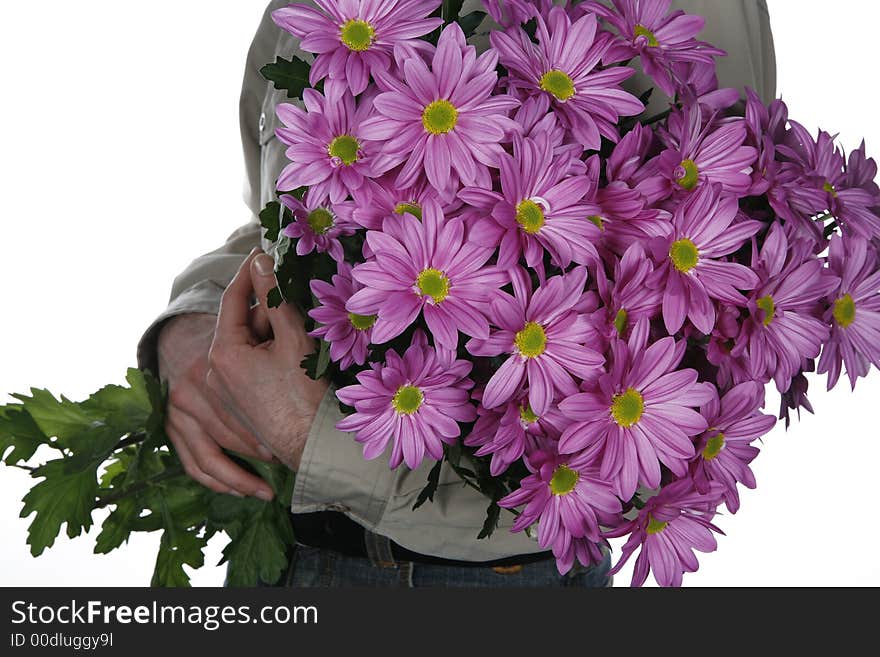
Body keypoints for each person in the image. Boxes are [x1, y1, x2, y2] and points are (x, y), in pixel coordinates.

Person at [138, 0, 776, 587]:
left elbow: (707, 345)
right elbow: (282, 227)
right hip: (283, 550)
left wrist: (314, 439)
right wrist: (197, 323)